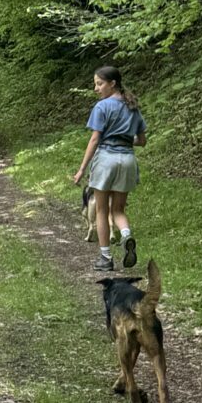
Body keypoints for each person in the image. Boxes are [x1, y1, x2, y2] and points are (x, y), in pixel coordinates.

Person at [72, 66, 147, 271]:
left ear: (112, 83)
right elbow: (141, 141)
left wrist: (81, 169)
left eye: (99, 83)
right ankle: (126, 236)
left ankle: (105, 258)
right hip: (128, 160)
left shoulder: (102, 107)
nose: (96, 88)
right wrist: (124, 138)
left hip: (106, 159)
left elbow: (95, 139)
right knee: (119, 210)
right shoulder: (133, 106)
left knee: (102, 211)